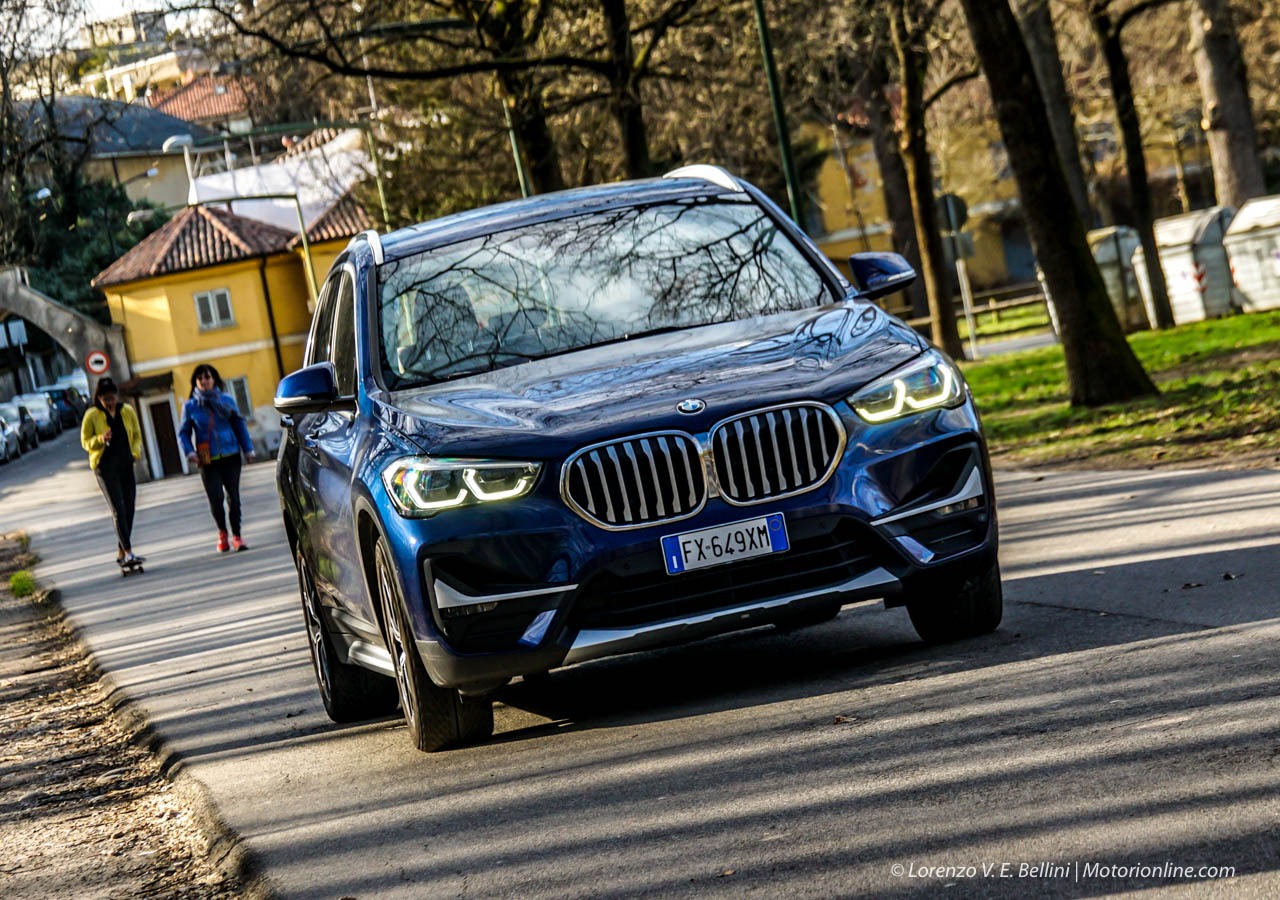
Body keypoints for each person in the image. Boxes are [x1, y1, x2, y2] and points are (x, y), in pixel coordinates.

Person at [178, 365, 256, 552]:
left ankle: (237, 536)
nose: (204, 382)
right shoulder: (190, 406)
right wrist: (189, 451)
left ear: (214, 379)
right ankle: (222, 533)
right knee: (216, 498)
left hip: (230, 455)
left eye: (208, 377)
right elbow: (184, 433)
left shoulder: (227, 400)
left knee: (233, 497)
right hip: (206, 459)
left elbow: (239, 425)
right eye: (200, 379)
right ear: (195, 382)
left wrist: (248, 449)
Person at [80, 377, 145, 567]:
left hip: (126, 464)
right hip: (105, 467)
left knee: (130, 507)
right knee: (118, 509)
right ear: (98, 398)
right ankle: (128, 552)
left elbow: (137, 436)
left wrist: (135, 453)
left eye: (112, 398)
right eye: (105, 399)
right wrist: (100, 439)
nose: (109, 402)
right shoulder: (92, 415)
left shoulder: (127, 411)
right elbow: (85, 442)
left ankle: (121, 547)